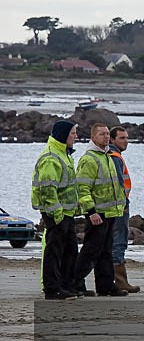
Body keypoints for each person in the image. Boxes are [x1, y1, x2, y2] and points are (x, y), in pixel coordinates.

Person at [73, 123, 128, 297]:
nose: (105, 137)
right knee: (91, 251)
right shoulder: (89, 159)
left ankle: (105, 285)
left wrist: (121, 206)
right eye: (102, 134)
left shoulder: (107, 156)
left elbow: (115, 186)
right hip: (97, 213)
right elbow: (82, 188)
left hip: (111, 212)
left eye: (106, 134)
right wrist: (90, 212)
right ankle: (74, 282)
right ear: (93, 137)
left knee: (106, 251)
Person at [31, 120, 80, 300]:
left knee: (70, 249)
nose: (76, 137)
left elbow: (68, 186)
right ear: (63, 135)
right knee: (54, 250)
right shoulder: (51, 157)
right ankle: (52, 289)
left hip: (67, 212)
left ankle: (65, 285)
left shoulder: (65, 154)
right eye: (73, 133)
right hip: (56, 213)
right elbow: (47, 189)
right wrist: (57, 212)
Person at [109, 126, 140, 293]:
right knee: (118, 242)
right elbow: (119, 185)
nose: (126, 141)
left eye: (127, 138)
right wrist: (123, 205)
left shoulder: (115, 156)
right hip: (119, 206)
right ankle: (120, 281)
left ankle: (116, 280)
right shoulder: (114, 157)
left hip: (118, 205)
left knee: (112, 243)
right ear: (112, 140)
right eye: (122, 138)